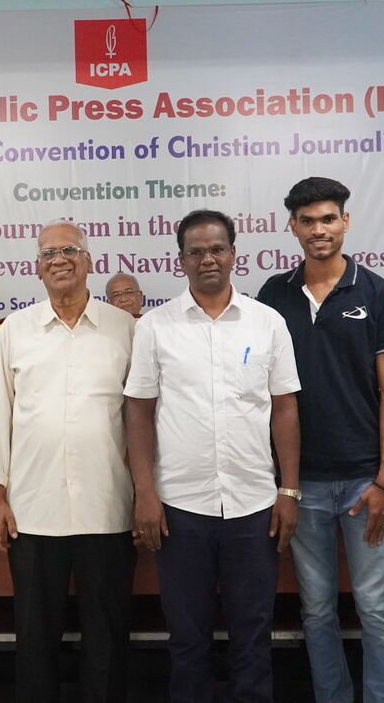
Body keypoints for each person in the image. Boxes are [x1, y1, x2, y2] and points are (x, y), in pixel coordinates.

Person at [125, 209, 301, 703]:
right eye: (196, 251)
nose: (208, 259)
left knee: (253, 634)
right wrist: (145, 493)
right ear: (181, 260)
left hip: (254, 505)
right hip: (180, 508)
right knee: (187, 638)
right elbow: (137, 412)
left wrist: (288, 490)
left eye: (217, 249)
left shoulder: (267, 323)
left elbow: (285, 409)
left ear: (233, 254)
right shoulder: (155, 326)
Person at [257, 178, 384, 703]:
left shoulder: (377, 293)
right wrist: (285, 483)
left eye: (328, 219)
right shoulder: (274, 294)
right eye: (308, 221)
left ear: (345, 221)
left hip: (366, 481)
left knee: (376, 608)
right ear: (292, 227)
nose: (318, 229)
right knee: (317, 610)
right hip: (302, 483)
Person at [0, 222, 137, 702]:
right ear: (37, 267)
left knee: (107, 633)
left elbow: (142, 421)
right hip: (33, 510)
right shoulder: (14, 331)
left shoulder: (125, 329)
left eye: (70, 250)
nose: (59, 259)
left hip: (107, 506)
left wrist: (147, 495)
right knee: (34, 634)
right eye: (49, 253)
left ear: (89, 260)